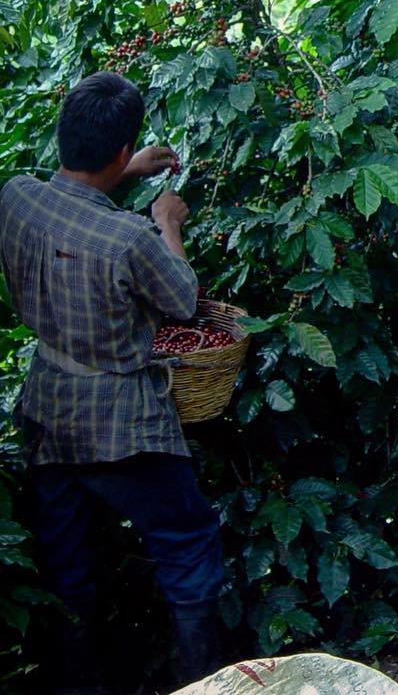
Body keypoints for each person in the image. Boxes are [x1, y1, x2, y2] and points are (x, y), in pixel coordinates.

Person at [0, 72, 225, 693]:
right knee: (188, 545)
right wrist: (168, 221)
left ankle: (80, 686)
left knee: (67, 566)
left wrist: (121, 175)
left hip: (46, 410)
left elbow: (66, 210)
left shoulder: (14, 195)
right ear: (122, 150)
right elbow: (181, 300)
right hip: (121, 423)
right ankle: (205, 683)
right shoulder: (132, 239)